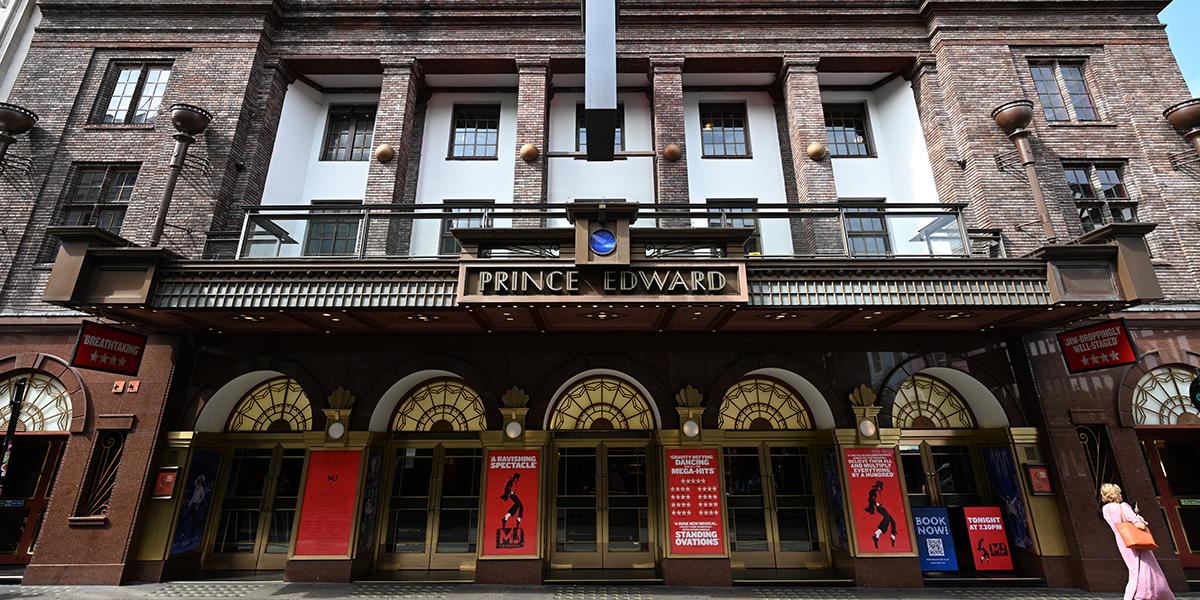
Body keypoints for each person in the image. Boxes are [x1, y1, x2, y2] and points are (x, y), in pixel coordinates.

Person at [1100, 483, 1175, 600]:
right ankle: (1147, 594)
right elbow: (1139, 525)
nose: (1121, 495)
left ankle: (1133, 595)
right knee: (1145, 568)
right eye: (1119, 493)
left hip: (1123, 541)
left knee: (1134, 569)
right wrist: (1139, 516)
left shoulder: (1105, 509)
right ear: (1114, 494)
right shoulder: (1123, 506)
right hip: (1136, 541)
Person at [864, 480, 896, 548]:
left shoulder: (880, 492)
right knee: (887, 517)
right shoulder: (873, 491)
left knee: (892, 520)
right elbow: (871, 499)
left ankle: (892, 535)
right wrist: (877, 504)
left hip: (883, 506)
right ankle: (877, 533)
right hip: (879, 507)